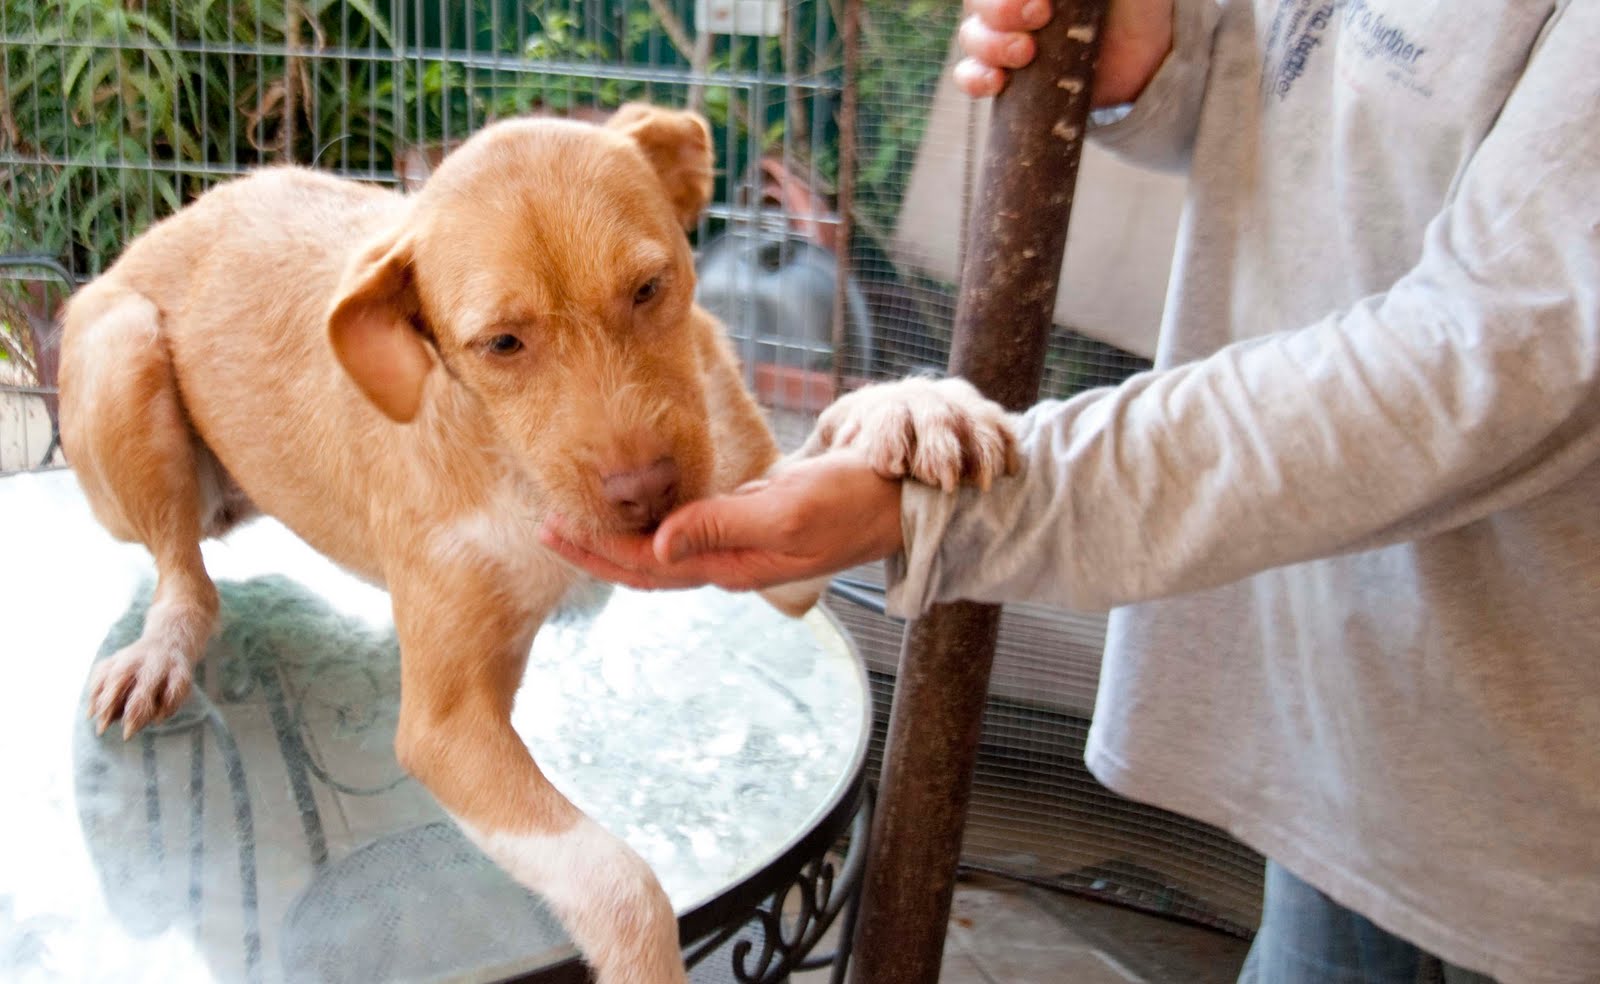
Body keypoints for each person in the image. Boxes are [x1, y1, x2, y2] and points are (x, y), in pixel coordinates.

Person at [541, 1, 1600, 980]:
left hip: (1539, 798)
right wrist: (1160, 65)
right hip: (1348, 724)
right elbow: (1329, 103)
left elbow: (1501, 354)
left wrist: (951, 500)